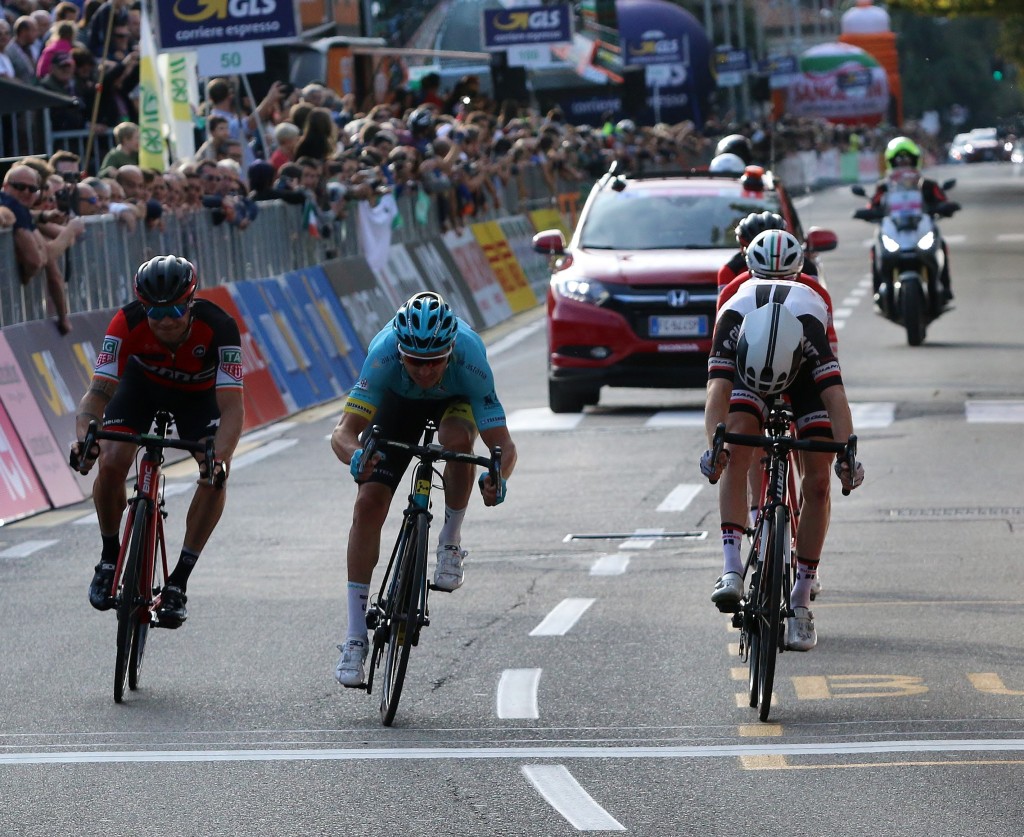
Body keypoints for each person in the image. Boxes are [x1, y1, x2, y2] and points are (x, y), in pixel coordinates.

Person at [329, 291, 517, 687]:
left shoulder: (470, 357)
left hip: (454, 404)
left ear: (451, 350)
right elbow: (343, 433)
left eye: (435, 362)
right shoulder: (382, 354)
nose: (426, 372)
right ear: (401, 352)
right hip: (397, 404)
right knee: (368, 503)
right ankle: (354, 637)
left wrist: (498, 475)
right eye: (415, 361)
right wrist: (356, 457)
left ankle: (449, 541)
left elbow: (502, 446)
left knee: (457, 444)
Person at [700, 229, 864, 652]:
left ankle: (802, 599)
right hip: (747, 375)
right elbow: (717, 392)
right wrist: (714, 448)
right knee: (736, 453)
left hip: (804, 378)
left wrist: (847, 456)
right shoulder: (732, 317)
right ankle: (731, 567)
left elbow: (834, 397)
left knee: (819, 481)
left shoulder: (810, 322)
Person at [70, 255, 244, 628]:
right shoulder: (126, 321)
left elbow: (232, 408)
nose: (167, 319)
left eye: (177, 309)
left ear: (192, 302)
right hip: (140, 389)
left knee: (215, 476)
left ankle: (178, 581)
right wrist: (85, 436)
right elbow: (97, 393)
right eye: (156, 311)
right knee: (111, 461)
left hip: (198, 398)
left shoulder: (221, 327)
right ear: (143, 307)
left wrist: (220, 458)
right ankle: (108, 556)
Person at [866, 136, 959, 302]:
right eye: (899, 160)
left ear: (915, 160)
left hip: (921, 227)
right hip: (894, 228)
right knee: (876, 246)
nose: (903, 164)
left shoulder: (928, 184)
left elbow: (942, 200)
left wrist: (945, 207)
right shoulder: (883, 186)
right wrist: (868, 212)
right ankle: (878, 291)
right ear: (891, 162)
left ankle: (945, 287)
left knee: (941, 243)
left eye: (907, 160)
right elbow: (872, 205)